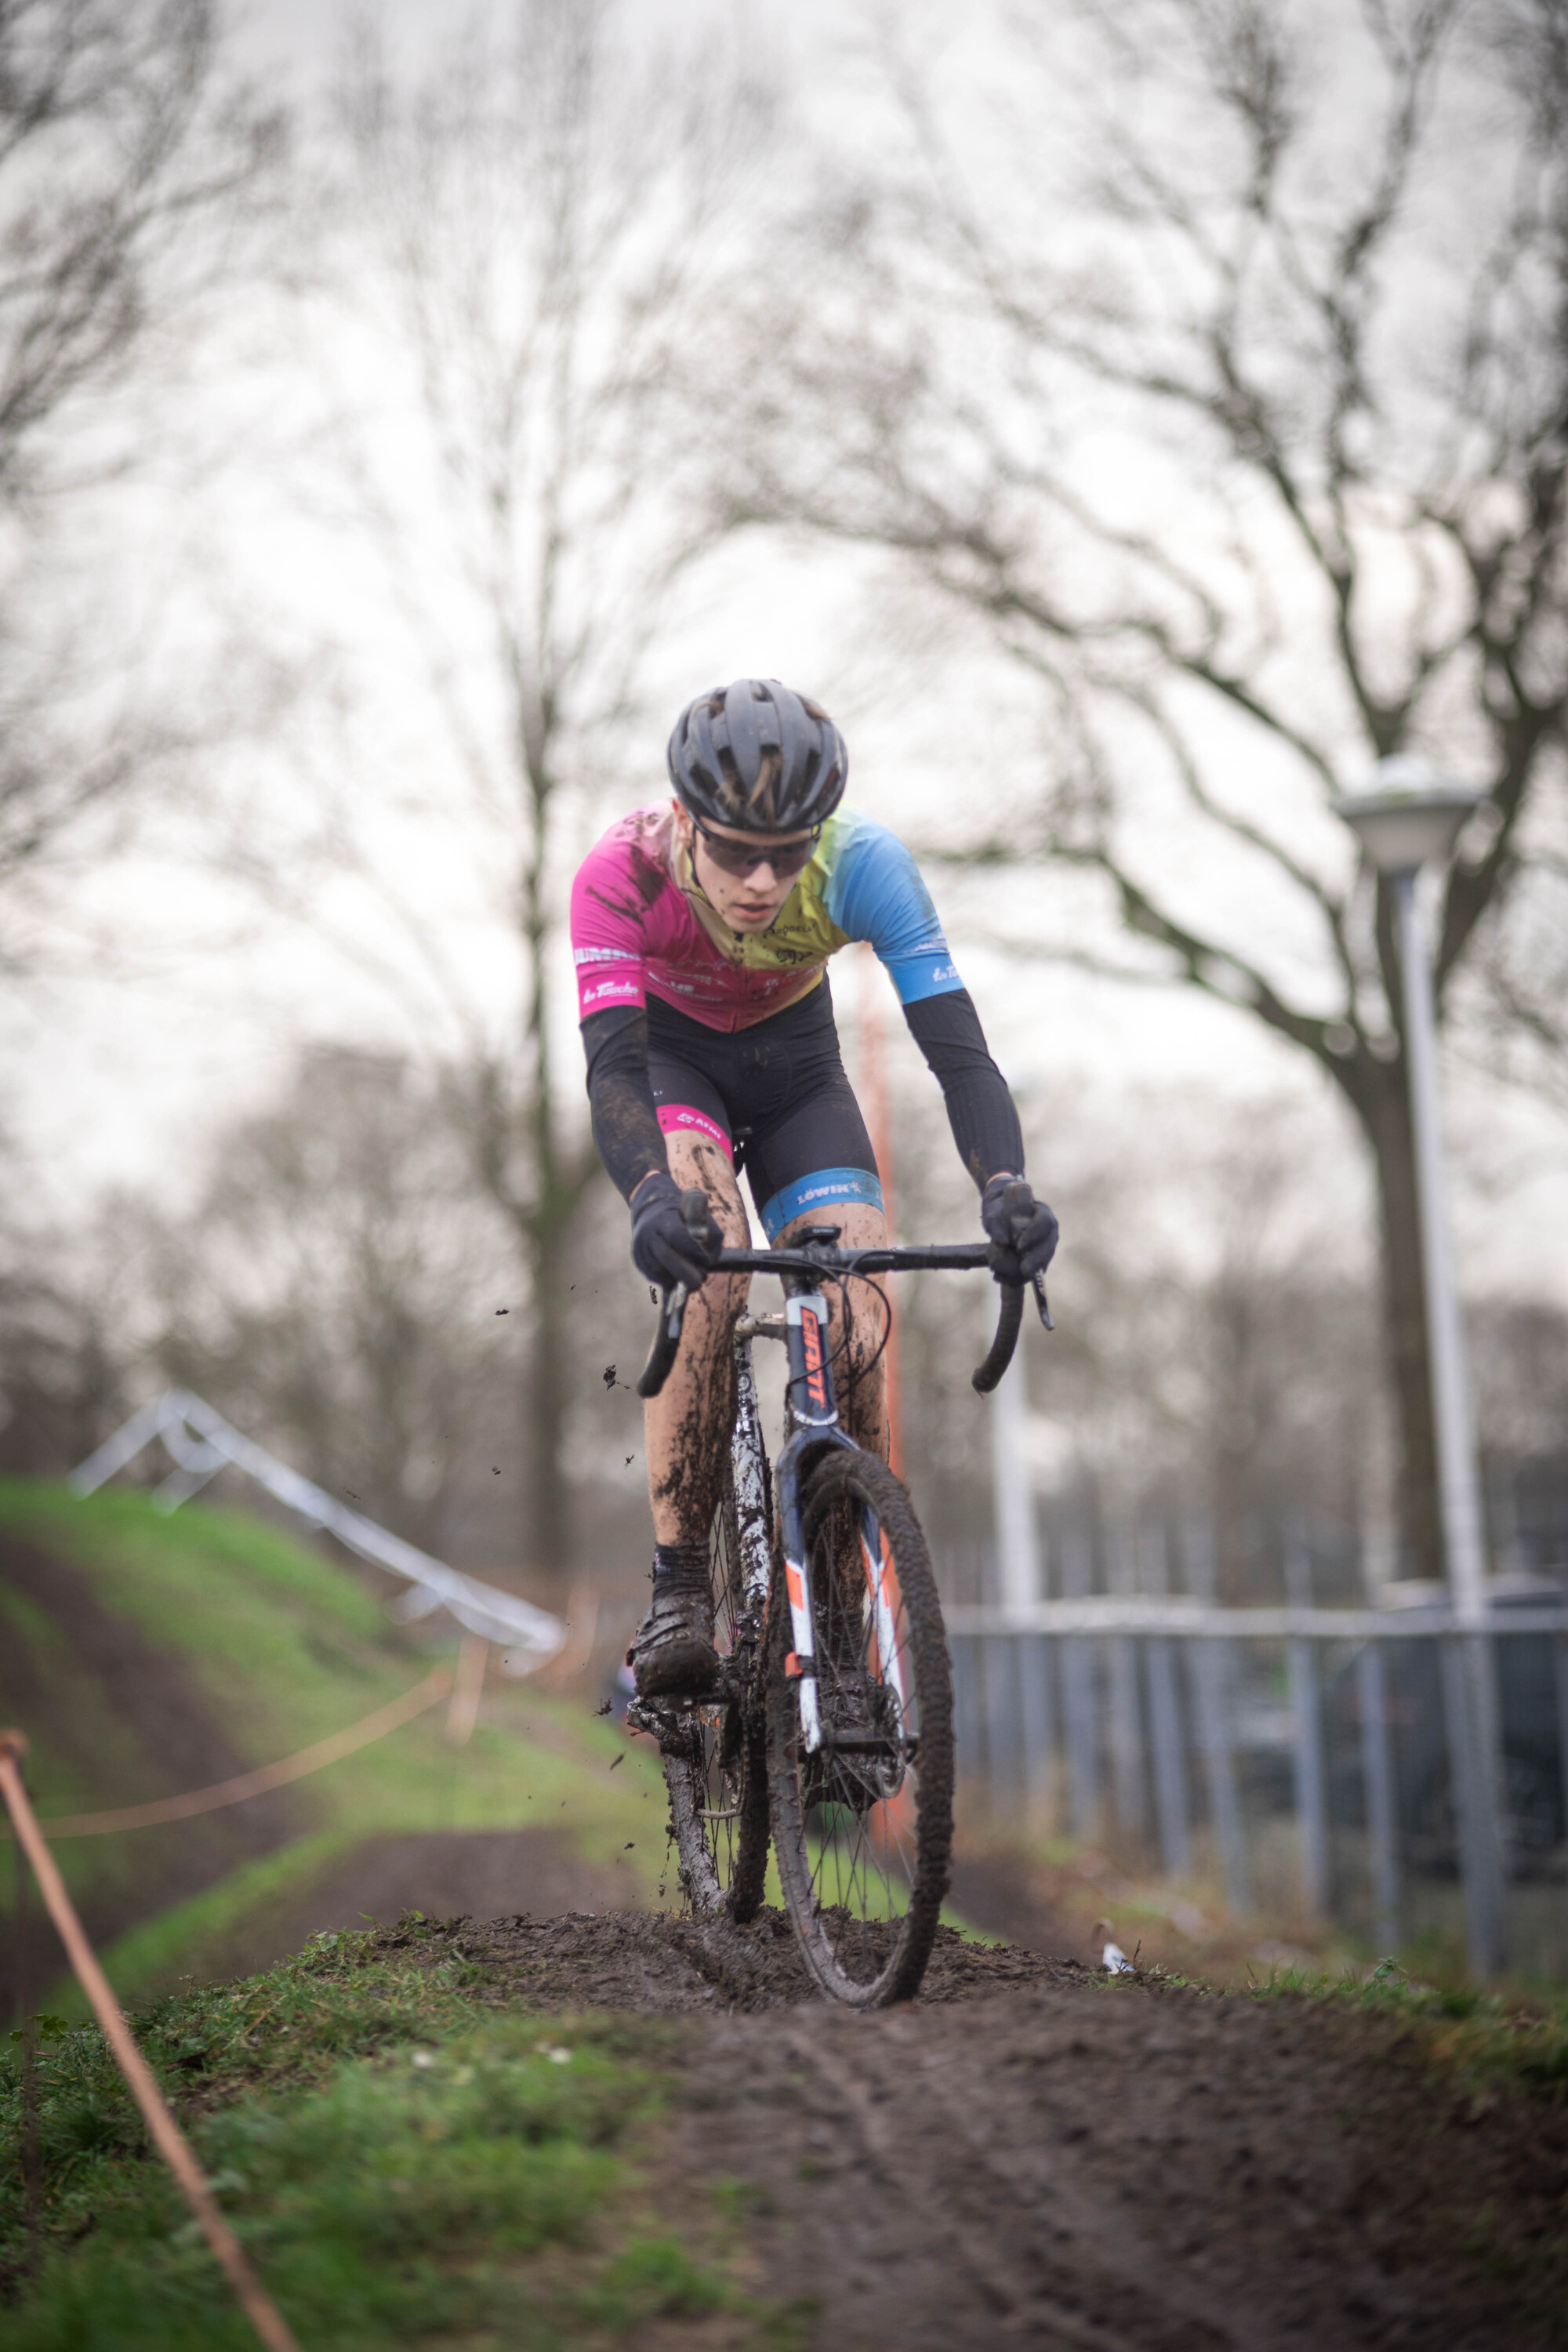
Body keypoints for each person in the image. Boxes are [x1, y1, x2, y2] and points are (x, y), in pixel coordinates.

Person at [571, 677, 1058, 1697]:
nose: (760, 879)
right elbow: (614, 1073)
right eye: (736, 850)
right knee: (709, 1280)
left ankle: (840, 1630)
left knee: (860, 1307)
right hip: (674, 1069)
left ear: (820, 835)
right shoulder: (620, 875)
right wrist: (652, 1196)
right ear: (686, 820)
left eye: (785, 855)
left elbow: (962, 1061)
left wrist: (1005, 1185)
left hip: (797, 1075)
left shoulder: (867, 864)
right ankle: (677, 1593)